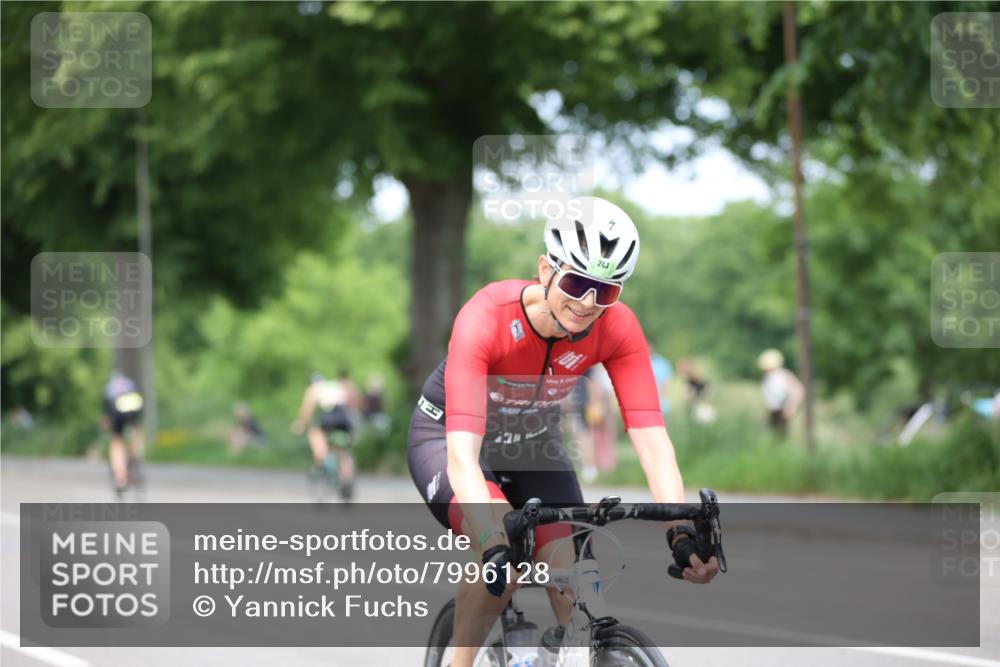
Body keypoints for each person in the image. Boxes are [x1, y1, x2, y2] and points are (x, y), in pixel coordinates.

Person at [406, 196, 719, 666]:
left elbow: (652, 439)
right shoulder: (486, 316)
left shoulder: (617, 328)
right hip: (449, 437)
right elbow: (462, 458)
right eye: (576, 282)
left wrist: (678, 530)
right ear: (545, 269)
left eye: (605, 291)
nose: (587, 303)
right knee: (506, 551)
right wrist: (491, 540)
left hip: (532, 446)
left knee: (573, 576)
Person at [292, 371, 360, 500]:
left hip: (329, 417)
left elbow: (307, 409)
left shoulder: (314, 389)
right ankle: (346, 481)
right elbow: (353, 399)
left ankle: (323, 459)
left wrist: (300, 425)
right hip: (345, 417)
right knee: (344, 452)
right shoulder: (335, 385)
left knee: (316, 434)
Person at [101, 370, 145, 498]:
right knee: (136, 430)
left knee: (116, 440)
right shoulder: (131, 385)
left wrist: (106, 422)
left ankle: (121, 478)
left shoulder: (109, 389)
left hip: (116, 407)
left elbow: (106, 417)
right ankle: (136, 456)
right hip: (134, 404)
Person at [757, 349, 804, 439]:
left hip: (783, 410)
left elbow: (797, 390)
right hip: (773, 410)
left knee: (782, 436)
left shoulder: (783, 375)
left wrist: (792, 405)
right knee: (774, 435)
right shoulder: (767, 378)